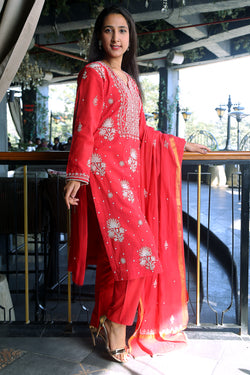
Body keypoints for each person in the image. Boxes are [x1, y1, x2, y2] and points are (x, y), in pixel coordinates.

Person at [64, 6, 210, 363]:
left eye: (123, 31)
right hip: (103, 176)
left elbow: (141, 133)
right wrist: (77, 174)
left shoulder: (129, 82)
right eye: (109, 31)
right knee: (141, 255)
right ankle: (116, 324)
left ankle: (105, 321)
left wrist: (179, 143)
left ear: (130, 39)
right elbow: (84, 127)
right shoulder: (94, 73)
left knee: (120, 260)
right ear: (100, 37)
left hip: (128, 179)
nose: (116, 38)